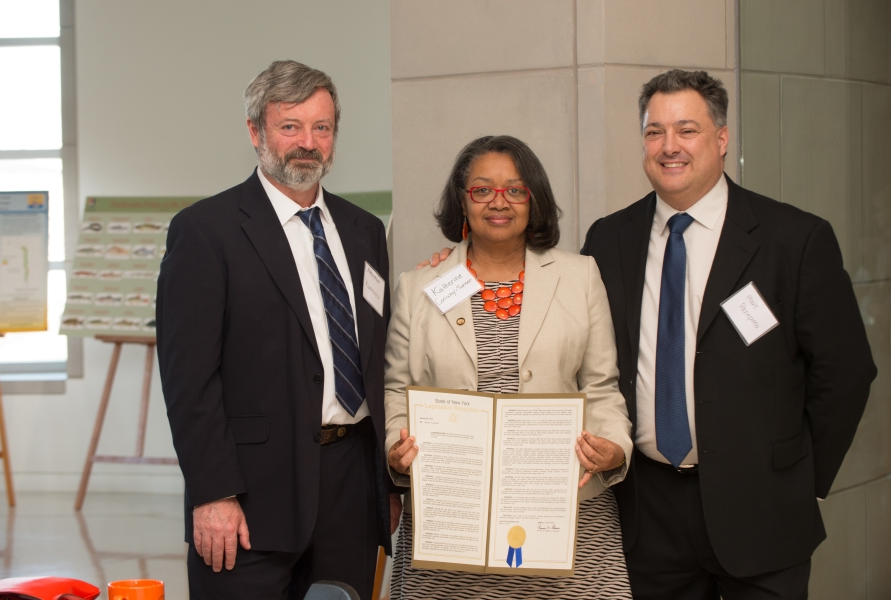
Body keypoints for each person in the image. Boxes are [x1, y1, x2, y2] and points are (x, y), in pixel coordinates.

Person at [580, 70, 876, 599]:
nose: (669, 147)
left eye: (686, 130)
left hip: (763, 511)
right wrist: (459, 263)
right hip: (648, 514)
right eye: (654, 132)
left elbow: (845, 373)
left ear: (721, 139)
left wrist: (798, 478)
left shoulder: (795, 239)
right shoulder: (608, 239)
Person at [157, 60, 398, 600]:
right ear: (255, 132)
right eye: (290, 126)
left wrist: (385, 484)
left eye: (322, 127)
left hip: (351, 487)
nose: (307, 143)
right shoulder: (205, 232)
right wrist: (213, 492)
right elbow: (187, 380)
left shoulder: (364, 231)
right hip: (248, 496)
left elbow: (379, 356)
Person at [384, 135, 634, 599]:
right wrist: (395, 449)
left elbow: (602, 388)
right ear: (462, 200)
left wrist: (615, 447)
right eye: (482, 190)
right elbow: (397, 392)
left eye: (515, 190)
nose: (499, 202)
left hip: (566, 520)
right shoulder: (419, 286)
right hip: (451, 527)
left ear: (533, 199)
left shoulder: (579, 276)